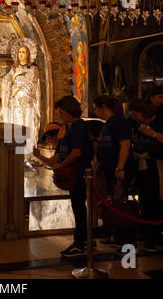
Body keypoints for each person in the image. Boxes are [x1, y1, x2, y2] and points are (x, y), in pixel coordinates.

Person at [128, 99, 163, 253]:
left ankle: (155, 237)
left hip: (157, 166)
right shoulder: (135, 125)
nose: (135, 118)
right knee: (146, 200)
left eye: (136, 115)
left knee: (156, 200)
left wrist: (153, 134)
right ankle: (147, 232)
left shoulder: (161, 121)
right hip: (143, 167)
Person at [92, 95, 134, 254]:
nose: (95, 112)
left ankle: (128, 243)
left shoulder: (119, 122)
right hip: (108, 169)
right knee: (114, 204)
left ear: (103, 107)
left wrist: (120, 167)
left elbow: (125, 144)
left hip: (118, 169)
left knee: (122, 205)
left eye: (96, 108)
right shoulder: (108, 124)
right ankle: (117, 237)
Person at [52, 96, 93, 257]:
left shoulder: (78, 127)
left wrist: (61, 165)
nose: (61, 116)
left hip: (79, 174)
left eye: (62, 113)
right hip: (75, 174)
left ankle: (80, 243)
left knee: (79, 208)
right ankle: (84, 241)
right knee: (78, 208)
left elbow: (76, 153)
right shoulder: (73, 127)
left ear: (69, 111)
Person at [1, 38, 41, 157]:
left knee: (28, 126)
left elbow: (33, 86)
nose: (21, 54)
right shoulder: (13, 69)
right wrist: (12, 84)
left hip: (28, 104)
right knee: (17, 127)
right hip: (16, 105)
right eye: (19, 52)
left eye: (24, 52)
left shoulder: (33, 69)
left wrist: (19, 88)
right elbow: (5, 83)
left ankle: (28, 155)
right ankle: (18, 155)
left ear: (28, 54)